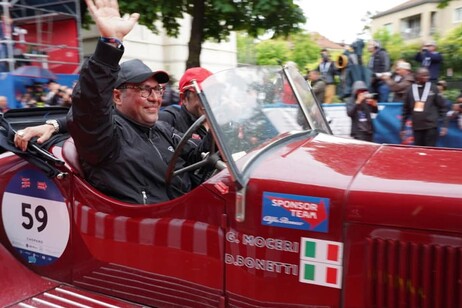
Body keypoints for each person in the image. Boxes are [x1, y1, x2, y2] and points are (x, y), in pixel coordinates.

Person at [15, 0, 212, 205]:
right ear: (117, 96)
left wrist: (223, 122)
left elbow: (200, 156)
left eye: (158, 89)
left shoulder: (163, 130)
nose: (155, 98)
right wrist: (110, 44)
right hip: (147, 227)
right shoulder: (107, 137)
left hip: (190, 214)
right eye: (145, 90)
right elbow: (89, 107)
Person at [159, 67, 212, 139]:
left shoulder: (220, 123)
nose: (210, 101)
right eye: (203, 95)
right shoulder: (168, 120)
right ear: (184, 98)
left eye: (213, 93)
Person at [401, 67, 448, 146]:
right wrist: (402, 128)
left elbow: (442, 107)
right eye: (423, 75)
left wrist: (445, 125)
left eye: (427, 75)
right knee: (419, 150)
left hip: (431, 126)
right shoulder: (410, 89)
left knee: (430, 150)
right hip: (417, 126)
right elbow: (405, 110)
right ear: (417, 76)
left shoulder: (433, 88)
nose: (426, 77)